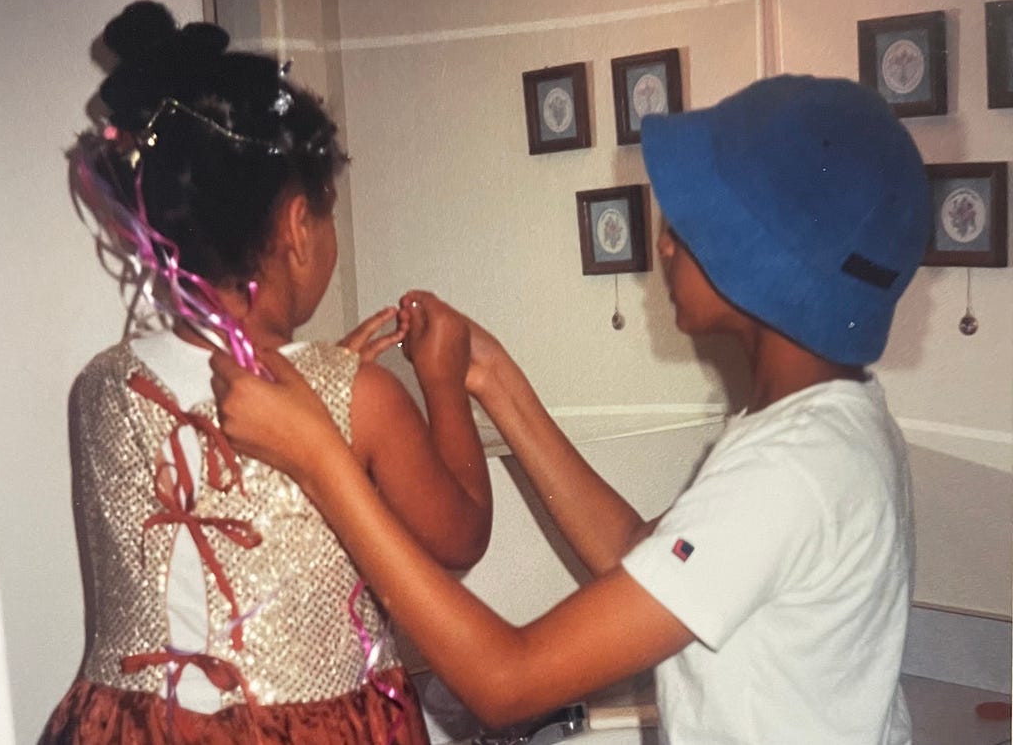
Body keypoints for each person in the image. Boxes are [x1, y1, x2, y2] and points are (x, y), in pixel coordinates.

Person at [211, 74, 930, 745]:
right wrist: (491, 377)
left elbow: (509, 681)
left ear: (758, 265)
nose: (665, 243)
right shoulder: (827, 424)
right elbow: (637, 553)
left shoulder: (790, 472)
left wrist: (321, 462)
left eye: (692, 227)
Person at [43, 1, 491, 743]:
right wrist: (443, 385)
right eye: (326, 213)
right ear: (295, 227)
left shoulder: (101, 385)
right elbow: (462, 534)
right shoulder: (359, 399)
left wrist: (322, 377)